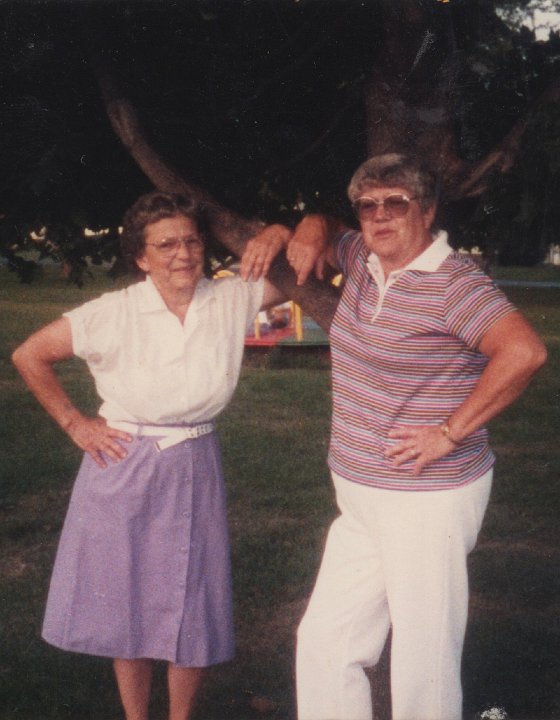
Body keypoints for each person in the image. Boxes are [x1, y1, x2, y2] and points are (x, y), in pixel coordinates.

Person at [241, 153, 547, 720]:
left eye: (396, 203)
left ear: (426, 210)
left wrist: (450, 432)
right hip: (360, 496)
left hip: (427, 498)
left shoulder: (454, 282)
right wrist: (309, 222)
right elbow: (328, 233)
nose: (380, 216)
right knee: (327, 644)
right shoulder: (363, 256)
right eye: (369, 205)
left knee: (421, 662)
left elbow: (525, 351)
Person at [11, 192, 288, 720]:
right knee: (129, 601)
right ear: (140, 257)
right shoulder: (111, 312)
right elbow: (30, 354)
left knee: (193, 600)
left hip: (195, 460)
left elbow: (310, 268)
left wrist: (278, 232)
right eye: (165, 245)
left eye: (191, 241)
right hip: (123, 463)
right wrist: (76, 422)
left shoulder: (232, 298)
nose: (182, 254)